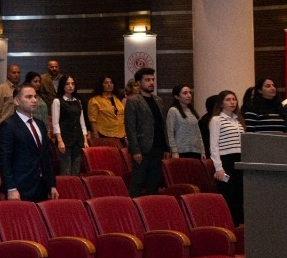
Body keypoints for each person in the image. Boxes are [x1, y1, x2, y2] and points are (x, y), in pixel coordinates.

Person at [0, 83, 59, 203]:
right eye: (29, 97)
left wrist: (52, 184)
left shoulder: (40, 124)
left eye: (35, 96)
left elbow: (47, 156)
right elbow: (4, 159)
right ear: (16, 101)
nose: (34, 100)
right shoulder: (8, 125)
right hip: (20, 187)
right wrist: (11, 188)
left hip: (42, 186)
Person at [124, 67, 168, 196]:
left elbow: (162, 125)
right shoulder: (133, 101)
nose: (151, 82)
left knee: (154, 181)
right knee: (138, 180)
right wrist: (135, 150)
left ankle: (151, 205)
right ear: (139, 82)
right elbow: (130, 127)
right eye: (147, 80)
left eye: (153, 79)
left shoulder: (158, 100)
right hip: (142, 148)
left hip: (158, 146)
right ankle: (134, 204)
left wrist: (166, 147)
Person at [207, 90, 245, 226]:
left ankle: (239, 225)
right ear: (221, 103)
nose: (232, 102)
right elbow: (214, 145)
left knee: (239, 193)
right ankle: (230, 225)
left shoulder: (238, 120)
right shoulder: (216, 120)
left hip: (239, 159)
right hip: (226, 161)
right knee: (229, 193)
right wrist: (219, 168)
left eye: (234, 99)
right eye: (228, 100)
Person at [50, 74, 88, 176]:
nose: (70, 86)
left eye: (72, 84)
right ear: (62, 85)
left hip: (78, 139)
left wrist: (85, 140)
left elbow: (82, 122)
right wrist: (60, 141)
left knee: (76, 169)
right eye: (67, 84)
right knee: (66, 169)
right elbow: (55, 123)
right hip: (65, 139)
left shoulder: (78, 101)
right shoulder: (57, 101)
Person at [87, 74, 127, 147]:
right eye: (106, 83)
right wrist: (96, 135)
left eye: (111, 82)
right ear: (101, 85)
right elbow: (92, 119)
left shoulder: (117, 98)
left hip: (120, 133)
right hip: (104, 133)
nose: (109, 85)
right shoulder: (95, 100)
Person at [167, 84, 204, 158]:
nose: (189, 95)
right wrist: (174, 151)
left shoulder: (191, 111)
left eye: (190, 92)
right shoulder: (173, 111)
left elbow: (198, 133)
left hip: (195, 150)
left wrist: (202, 150)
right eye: (185, 93)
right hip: (181, 151)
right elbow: (170, 133)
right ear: (177, 96)